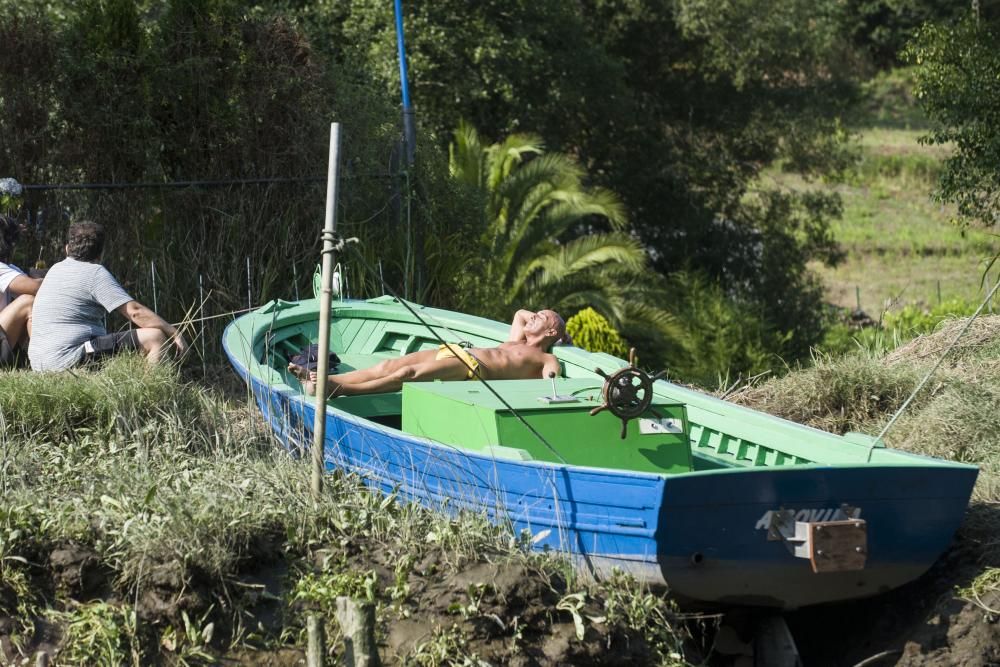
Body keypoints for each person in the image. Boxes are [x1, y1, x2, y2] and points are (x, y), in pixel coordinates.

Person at [289, 308, 568, 397]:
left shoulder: (546, 357)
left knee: (406, 374)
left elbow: (551, 380)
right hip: (455, 352)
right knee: (387, 364)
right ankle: (324, 380)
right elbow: (520, 314)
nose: (533, 317)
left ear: (551, 333)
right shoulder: (517, 339)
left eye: (541, 317)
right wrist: (542, 320)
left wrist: (556, 334)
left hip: (471, 370)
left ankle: (335, 389)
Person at [28, 221, 185, 371]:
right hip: (68, 359)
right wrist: (173, 332)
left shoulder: (55, 269)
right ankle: (151, 396)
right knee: (155, 337)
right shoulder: (95, 273)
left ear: (67, 248)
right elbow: (135, 312)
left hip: (40, 363)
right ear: (100, 254)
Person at [0, 215, 42, 368]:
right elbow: (36, 288)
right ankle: (43, 363)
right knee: (28, 302)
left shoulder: (9, 269)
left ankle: (22, 361)